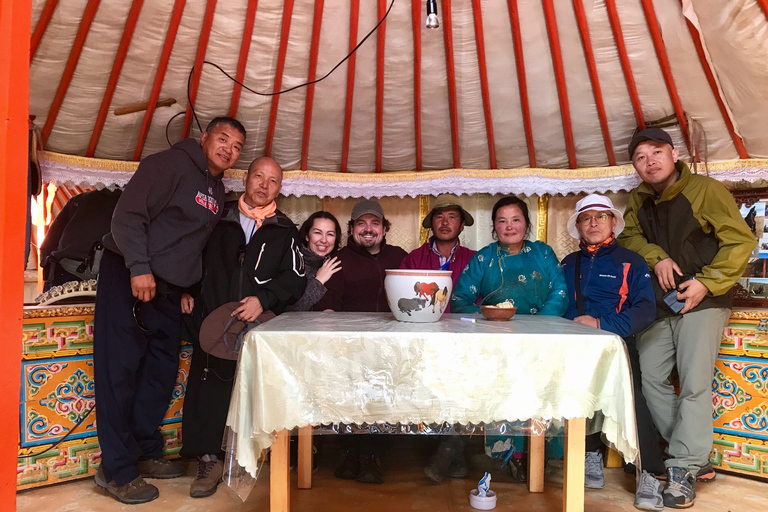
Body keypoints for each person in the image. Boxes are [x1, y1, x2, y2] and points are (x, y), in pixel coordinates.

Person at [92, 117, 246, 504]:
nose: (228, 148)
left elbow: (189, 244)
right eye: (222, 138)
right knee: (119, 371)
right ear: (204, 137)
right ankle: (116, 470)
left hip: (169, 290)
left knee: (158, 373)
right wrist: (139, 268)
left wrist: (186, 286)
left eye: (237, 145)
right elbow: (127, 217)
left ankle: (144, 451)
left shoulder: (216, 188)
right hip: (130, 274)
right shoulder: (168, 165)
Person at [618, 128, 756, 509]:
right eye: (641, 157)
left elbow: (741, 241)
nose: (650, 161)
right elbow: (628, 238)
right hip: (661, 305)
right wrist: (657, 257)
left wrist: (706, 283)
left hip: (704, 301)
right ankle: (696, 456)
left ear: (674, 154)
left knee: (694, 384)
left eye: (657, 152)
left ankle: (683, 469)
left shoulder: (706, 191)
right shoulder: (638, 200)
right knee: (650, 379)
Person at [180, 156, 306, 498]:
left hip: (257, 325)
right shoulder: (217, 218)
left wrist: (263, 299)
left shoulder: (284, 230)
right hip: (213, 320)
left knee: (252, 391)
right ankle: (209, 459)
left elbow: (295, 280)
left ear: (280, 188)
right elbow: (189, 257)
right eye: (258, 177)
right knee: (210, 386)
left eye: (273, 181)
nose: (264, 185)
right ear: (246, 179)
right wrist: (185, 291)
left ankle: (249, 459)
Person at [451, 195, 568, 477]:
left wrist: (538, 326)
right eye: (502, 221)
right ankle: (512, 455)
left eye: (515, 220)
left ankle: (543, 454)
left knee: (543, 392)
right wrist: (486, 322)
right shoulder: (484, 258)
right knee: (504, 392)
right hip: (497, 341)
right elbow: (459, 298)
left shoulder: (543, 254)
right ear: (494, 227)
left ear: (526, 224)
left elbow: (560, 293)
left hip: (541, 340)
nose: (509, 226)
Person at [561, 194, 663, 510]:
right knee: (577, 395)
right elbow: (558, 303)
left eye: (600, 217)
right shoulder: (566, 263)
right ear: (578, 226)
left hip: (618, 341)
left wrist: (601, 322)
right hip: (577, 343)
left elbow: (645, 309)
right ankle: (590, 454)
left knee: (633, 400)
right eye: (586, 218)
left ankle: (649, 474)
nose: (593, 223)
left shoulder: (631, 261)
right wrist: (575, 325)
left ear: (613, 222)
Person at [314, 199, 408, 484]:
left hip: (391, 348)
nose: (368, 229)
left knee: (381, 401)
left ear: (385, 228)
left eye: (375, 223)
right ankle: (348, 451)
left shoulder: (399, 257)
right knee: (349, 398)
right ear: (352, 228)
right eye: (361, 224)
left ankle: (373, 455)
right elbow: (328, 308)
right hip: (349, 347)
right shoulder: (338, 259)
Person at [399, 194, 476, 483]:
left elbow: (481, 298)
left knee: (468, 389)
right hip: (423, 341)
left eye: (452, 216)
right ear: (431, 222)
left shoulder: (474, 259)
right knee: (430, 390)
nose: (445, 223)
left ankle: (451, 447)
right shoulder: (413, 259)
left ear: (462, 224)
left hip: (464, 340)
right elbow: (403, 301)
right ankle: (451, 452)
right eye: (439, 217)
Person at [40, 188, 121, 289]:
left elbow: (49, 242)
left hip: (64, 271)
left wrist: (46, 261)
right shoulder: (129, 205)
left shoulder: (77, 200)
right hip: (105, 275)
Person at [286, 211, 343, 312]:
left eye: (330, 234)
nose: (324, 240)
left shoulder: (337, 263)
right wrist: (319, 281)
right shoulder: (293, 263)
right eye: (317, 233)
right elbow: (291, 312)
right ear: (307, 236)